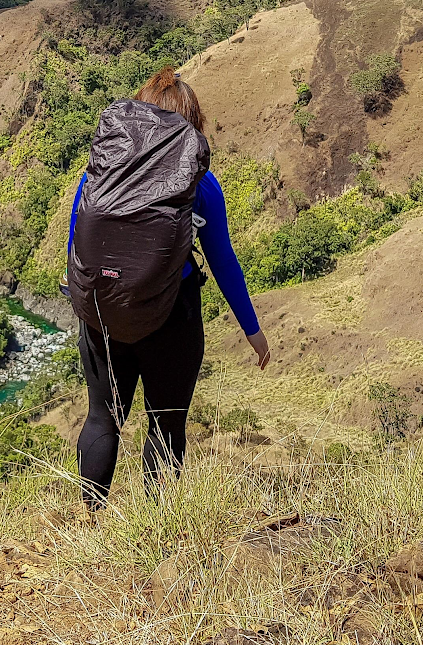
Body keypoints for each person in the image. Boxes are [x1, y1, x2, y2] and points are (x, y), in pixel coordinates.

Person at [66, 66, 271, 509]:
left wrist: (83, 300)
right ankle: (158, 530)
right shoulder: (202, 186)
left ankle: (87, 519)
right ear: (190, 123)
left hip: (103, 317)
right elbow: (224, 263)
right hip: (172, 323)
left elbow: (77, 243)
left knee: (102, 416)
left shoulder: (101, 173)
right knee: (166, 425)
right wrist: (254, 333)